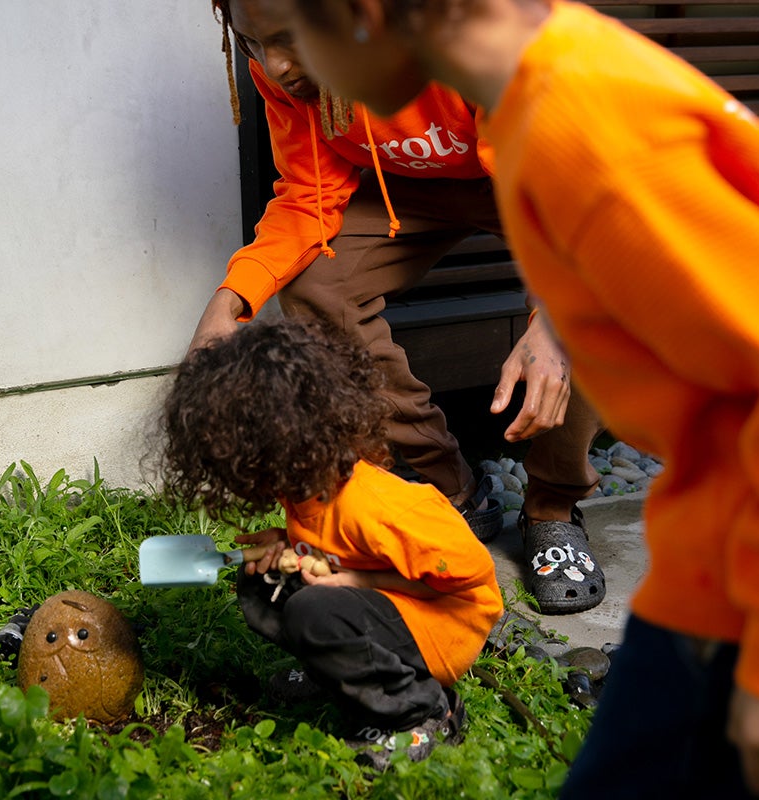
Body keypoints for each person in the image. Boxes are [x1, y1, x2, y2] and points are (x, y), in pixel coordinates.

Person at [274, 0, 759, 797]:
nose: (281, 67)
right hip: (705, 540)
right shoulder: (528, 105)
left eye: (292, 31)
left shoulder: (582, 125)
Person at [191, 0, 608, 614]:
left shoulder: (474, 31)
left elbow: (566, 188)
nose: (275, 65)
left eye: (288, 38)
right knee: (317, 286)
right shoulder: (292, 74)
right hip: (409, 186)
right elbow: (309, 193)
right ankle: (451, 490)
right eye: (253, 42)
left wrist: (551, 323)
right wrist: (231, 299)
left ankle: (551, 504)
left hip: (546, 175)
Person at [161, 316, 504, 768]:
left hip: (443, 623)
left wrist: (352, 580)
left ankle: (421, 712)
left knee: (314, 610)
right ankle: (338, 673)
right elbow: (333, 545)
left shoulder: (379, 507)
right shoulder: (303, 488)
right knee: (262, 584)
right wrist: (287, 542)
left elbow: (471, 577)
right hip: (387, 605)